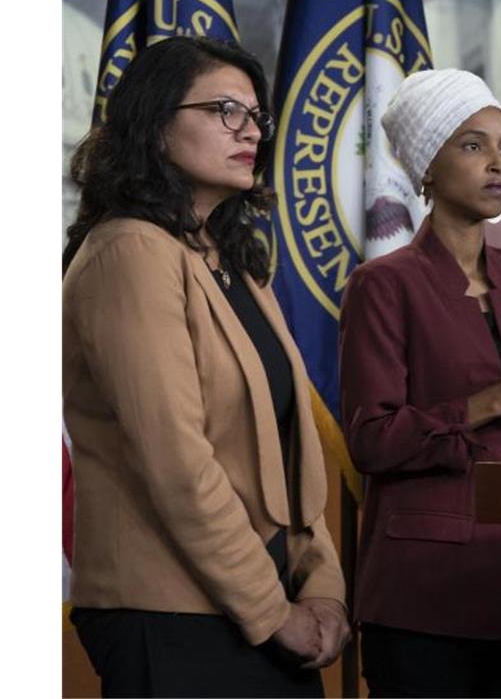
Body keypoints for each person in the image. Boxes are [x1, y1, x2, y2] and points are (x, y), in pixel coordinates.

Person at [62, 36, 350, 697]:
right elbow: (177, 465)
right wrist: (275, 613)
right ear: (157, 124)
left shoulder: (229, 261)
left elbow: (287, 453)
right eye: (226, 110)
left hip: (265, 610)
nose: (251, 130)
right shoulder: (129, 251)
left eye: (256, 116)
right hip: (173, 618)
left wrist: (325, 589)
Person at [339, 68, 501, 697]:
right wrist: (489, 404)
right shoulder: (383, 285)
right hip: (425, 597)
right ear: (427, 166)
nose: (497, 165)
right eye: (473, 145)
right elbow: (372, 440)